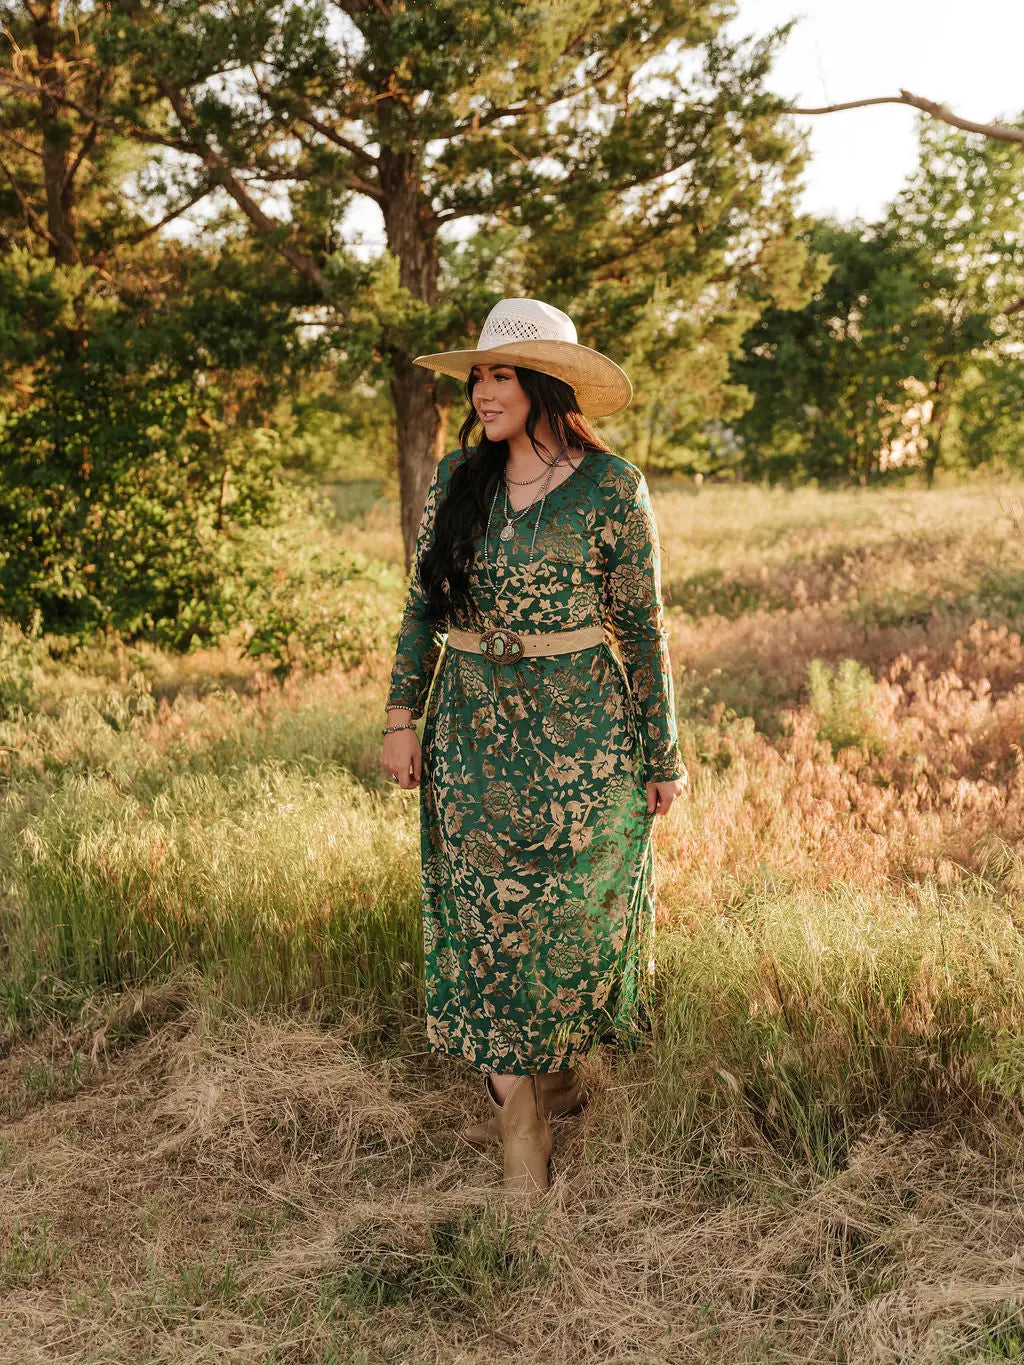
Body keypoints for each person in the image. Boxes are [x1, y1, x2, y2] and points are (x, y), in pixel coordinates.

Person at [381, 297, 688, 1195]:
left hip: (584, 745)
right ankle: (522, 1127)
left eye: (500, 373)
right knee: (481, 921)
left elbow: (643, 628)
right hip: (470, 734)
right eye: (476, 375)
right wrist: (401, 717)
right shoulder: (455, 481)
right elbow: (422, 611)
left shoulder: (612, 487)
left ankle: (551, 1075)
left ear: (547, 382)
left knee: (572, 923)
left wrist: (661, 754)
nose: (481, 390)